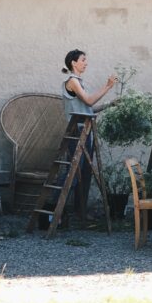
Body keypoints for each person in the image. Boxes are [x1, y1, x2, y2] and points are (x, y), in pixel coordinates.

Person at [56, 50, 117, 219]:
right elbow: (89, 101)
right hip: (77, 131)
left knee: (85, 172)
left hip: (85, 130)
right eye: (83, 60)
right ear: (74, 63)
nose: (86, 63)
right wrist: (108, 86)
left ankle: (79, 213)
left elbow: (88, 108)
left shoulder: (80, 83)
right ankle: (54, 211)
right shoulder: (72, 82)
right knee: (73, 173)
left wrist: (110, 104)